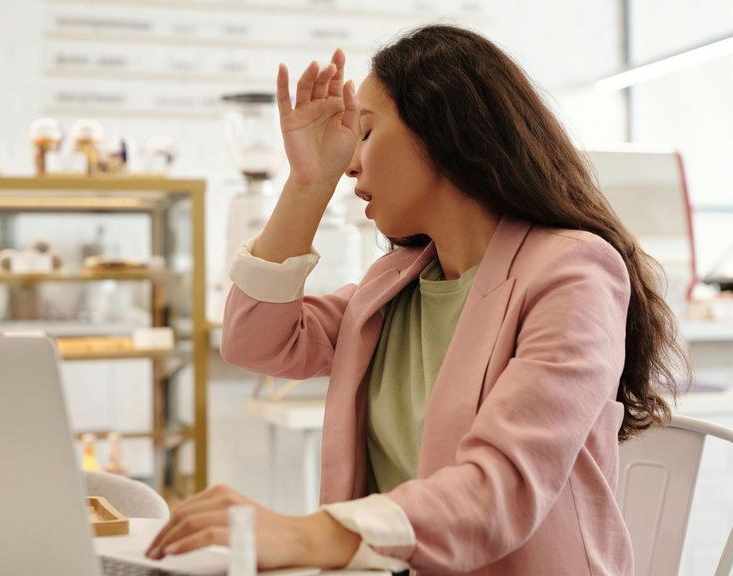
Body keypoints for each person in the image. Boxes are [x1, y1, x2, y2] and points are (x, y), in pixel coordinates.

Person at [146, 24, 687, 575]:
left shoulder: (573, 270)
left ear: (443, 131)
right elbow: (253, 340)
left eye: (367, 133)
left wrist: (307, 535)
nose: (351, 163)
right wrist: (308, 183)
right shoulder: (397, 281)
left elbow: (500, 486)